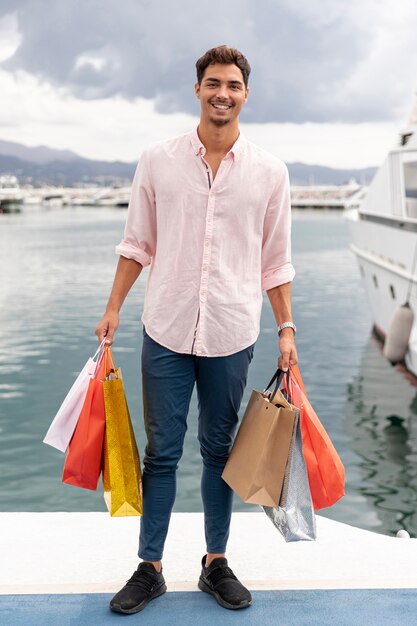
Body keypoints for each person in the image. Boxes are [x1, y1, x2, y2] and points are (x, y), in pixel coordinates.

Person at [95, 45, 297, 615]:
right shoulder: (158, 161)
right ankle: (150, 567)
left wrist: (287, 328)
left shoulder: (270, 172)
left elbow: (275, 261)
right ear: (197, 89)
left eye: (232, 85)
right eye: (212, 83)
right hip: (164, 326)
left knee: (217, 450)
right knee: (162, 452)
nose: (222, 93)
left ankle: (215, 564)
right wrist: (112, 308)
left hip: (233, 330)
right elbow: (137, 244)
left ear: (245, 94)